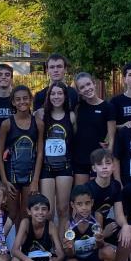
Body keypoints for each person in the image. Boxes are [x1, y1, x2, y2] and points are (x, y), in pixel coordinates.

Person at [61, 185, 124, 261]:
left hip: (92, 256)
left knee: (109, 251)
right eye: (79, 204)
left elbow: (99, 245)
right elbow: (70, 254)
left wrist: (101, 238)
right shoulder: (68, 224)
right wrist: (68, 248)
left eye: (87, 203)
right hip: (77, 258)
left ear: (92, 203)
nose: (84, 208)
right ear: (72, 205)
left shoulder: (97, 217)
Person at [0, 85, 44, 222]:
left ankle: (24, 243)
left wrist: (35, 180)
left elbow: (40, 152)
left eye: (25, 98)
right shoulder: (7, 124)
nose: (22, 102)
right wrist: (5, 180)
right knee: (12, 214)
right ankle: (13, 243)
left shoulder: (38, 123)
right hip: (12, 175)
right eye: (18, 99)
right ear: (13, 102)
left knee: (26, 213)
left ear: (30, 99)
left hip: (30, 175)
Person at [38, 83, 77, 238]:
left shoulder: (72, 116)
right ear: (48, 96)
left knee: (63, 209)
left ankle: (60, 245)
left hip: (65, 166)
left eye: (59, 93)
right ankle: (48, 244)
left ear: (65, 96)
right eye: (53, 94)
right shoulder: (41, 114)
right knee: (48, 211)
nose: (56, 97)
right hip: (46, 166)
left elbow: (73, 139)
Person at [11, 192, 64, 261]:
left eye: (44, 209)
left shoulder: (51, 225)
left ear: (48, 211)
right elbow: (15, 249)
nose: (40, 212)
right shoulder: (25, 223)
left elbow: (60, 252)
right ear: (29, 211)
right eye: (36, 209)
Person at [72, 72, 116, 184]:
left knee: (97, 197)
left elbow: (111, 136)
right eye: (82, 87)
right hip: (80, 159)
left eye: (88, 84)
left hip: (99, 160)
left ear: (94, 84)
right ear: (79, 91)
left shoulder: (108, 107)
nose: (87, 88)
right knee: (81, 196)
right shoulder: (77, 107)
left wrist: (108, 156)